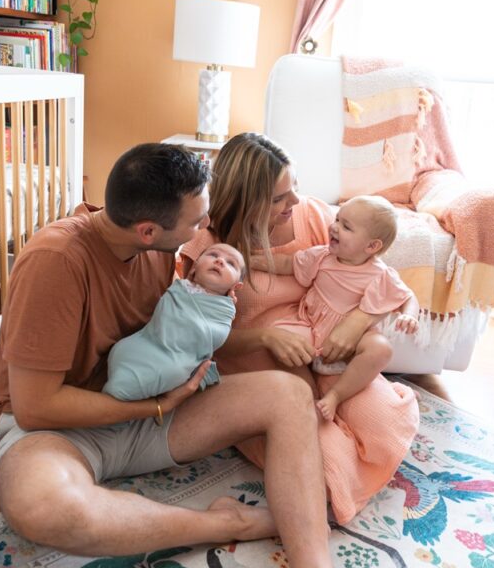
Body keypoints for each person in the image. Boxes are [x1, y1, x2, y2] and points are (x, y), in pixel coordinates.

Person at [0, 143, 346, 568]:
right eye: (197, 223)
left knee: (289, 394)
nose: (203, 232)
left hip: (150, 412)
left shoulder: (159, 246)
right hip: (58, 431)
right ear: (148, 230)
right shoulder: (56, 261)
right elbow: (35, 408)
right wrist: (154, 407)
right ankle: (227, 524)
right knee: (42, 509)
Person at [180, 133, 420, 524]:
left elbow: (369, 276)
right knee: (324, 465)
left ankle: (348, 436)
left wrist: (358, 322)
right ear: (246, 200)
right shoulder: (211, 248)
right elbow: (194, 337)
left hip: (325, 353)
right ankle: (327, 470)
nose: (294, 202)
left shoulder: (312, 216)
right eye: (278, 199)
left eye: (295, 189)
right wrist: (266, 336)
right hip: (258, 367)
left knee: (381, 424)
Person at [252, 195, 420, 421]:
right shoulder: (322, 256)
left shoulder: (380, 274)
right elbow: (287, 264)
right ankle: (307, 391)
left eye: (346, 226)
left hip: (353, 340)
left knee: (381, 348)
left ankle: (336, 395)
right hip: (312, 326)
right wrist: (252, 261)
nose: (334, 227)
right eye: (337, 220)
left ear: (372, 246)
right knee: (282, 340)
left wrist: (410, 316)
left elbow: (408, 297)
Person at [102, 243, 244, 401]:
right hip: (148, 339)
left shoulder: (222, 312)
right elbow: (163, 312)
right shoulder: (181, 287)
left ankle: (114, 400)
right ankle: (115, 396)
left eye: (231, 264)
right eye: (212, 255)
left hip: (175, 357)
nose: (219, 261)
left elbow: (214, 336)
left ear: (236, 286)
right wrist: (182, 289)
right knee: (122, 348)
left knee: (174, 371)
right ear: (195, 267)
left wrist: (194, 321)